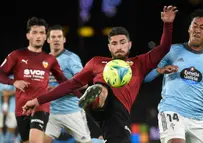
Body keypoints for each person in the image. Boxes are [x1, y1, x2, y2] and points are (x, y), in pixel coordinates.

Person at [22, 5, 177, 143]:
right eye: (114, 44)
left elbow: (163, 48)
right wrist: (38, 100)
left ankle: (90, 96)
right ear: (109, 47)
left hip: (119, 112)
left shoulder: (139, 63)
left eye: (122, 42)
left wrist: (168, 24)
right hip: (101, 105)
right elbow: (70, 84)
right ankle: (95, 96)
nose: (119, 47)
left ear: (129, 44)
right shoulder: (96, 62)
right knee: (101, 88)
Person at [143, 9, 203, 143]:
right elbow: (146, 77)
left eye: (202, 28)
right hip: (171, 111)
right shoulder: (171, 51)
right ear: (189, 29)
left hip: (196, 119)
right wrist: (159, 71)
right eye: (194, 26)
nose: (197, 30)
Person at [0, 17, 69, 143]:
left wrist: (80, 90)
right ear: (28, 35)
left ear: (45, 37)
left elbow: (64, 82)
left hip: (40, 107)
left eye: (42, 33)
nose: (38, 36)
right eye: (35, 32)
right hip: (21, 109)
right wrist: (13, 82)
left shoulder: (50, 59)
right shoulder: (17, 55)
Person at [45, 25, 104, 143]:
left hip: (72, 110)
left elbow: (83, 84)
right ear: (48, 40)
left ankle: (101, 142)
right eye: (53, 37)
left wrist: (57, 90)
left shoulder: (71, 58)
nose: (56, 39)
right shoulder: (45, 60)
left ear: (64, 39)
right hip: (52, 112)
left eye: (59, 36)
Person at [1, 75, 21, 143]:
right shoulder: (9, 77)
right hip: (12, 108)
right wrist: (5, 106)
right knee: (10, 128)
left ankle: (15, 140)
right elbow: (5, 93)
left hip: (24, 108)